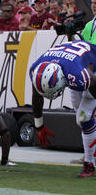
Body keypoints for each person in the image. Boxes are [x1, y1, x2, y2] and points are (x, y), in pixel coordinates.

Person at [30, 41, 96, 178]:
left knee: (84, 118)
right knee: (81, 119)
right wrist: (39, 125)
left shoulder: (79, 76)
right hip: (74, 62)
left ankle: (89, 164)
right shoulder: (36, 69)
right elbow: (36, 95)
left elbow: (93, 84)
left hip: (91, 68)